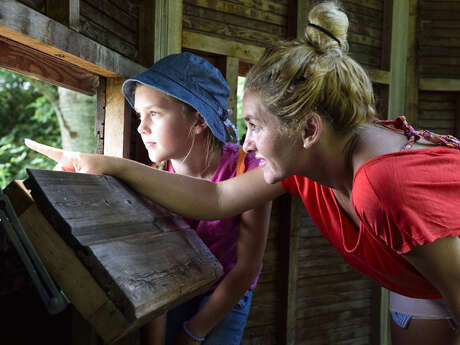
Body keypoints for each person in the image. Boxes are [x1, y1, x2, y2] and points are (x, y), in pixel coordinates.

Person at [25, 2, 460, 344]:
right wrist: (104, 165)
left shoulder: (381, 185)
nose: (245, 142)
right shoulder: (311, 161)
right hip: (420, 276)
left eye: (253, 125)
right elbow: (217, 199)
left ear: (307, 129)